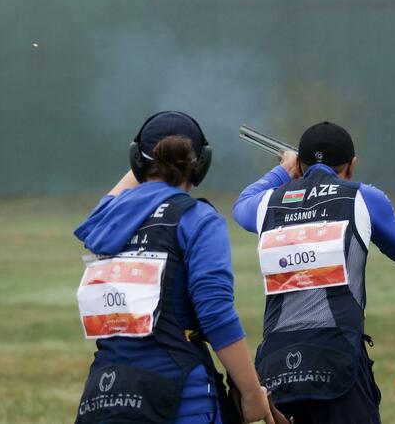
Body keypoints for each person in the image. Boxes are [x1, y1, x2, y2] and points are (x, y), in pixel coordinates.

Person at [73, 111, 274, 424]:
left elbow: (118, 196)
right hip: (181, 398)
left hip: (106, 393)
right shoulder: (198, 219)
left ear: (136, 161)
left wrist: (147, 158)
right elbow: (215, 313)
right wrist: (250, 393)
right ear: (200, 164)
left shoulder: (109, 218)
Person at [233, 121, 395, 424]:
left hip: (279, 363)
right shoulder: (362, 198)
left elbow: (241, 205)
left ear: (300, 166)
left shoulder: (271, 201)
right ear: (352, 165)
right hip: (341, 361)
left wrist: (283, 171)